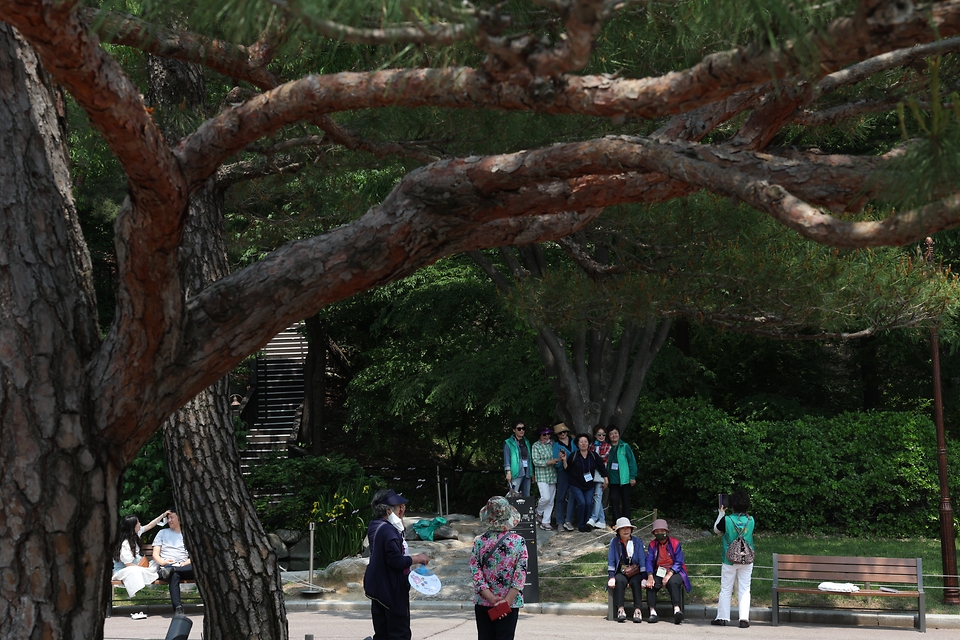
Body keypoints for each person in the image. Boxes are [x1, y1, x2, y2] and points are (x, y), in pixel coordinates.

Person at [364, 489, 430, 640]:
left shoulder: (376, 525)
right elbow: (396, 561)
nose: (403, 509)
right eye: (399, 507)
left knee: (383, 633)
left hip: (377, 586)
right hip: (391, 589)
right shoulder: (388, 531)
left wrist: (398, 519)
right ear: (388, 510)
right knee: (399, 633)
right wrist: (418, 558)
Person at [470, 496, 528, 640]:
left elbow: (475, 572)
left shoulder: (479, 542)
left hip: (484, 601)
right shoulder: (518, 542)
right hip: (509, 603)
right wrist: (506, 601)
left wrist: (491, 598)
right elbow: (520, 574)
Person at [712, 490, 756, 628]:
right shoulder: (751, 520)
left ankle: (723, 617)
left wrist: (721, 513)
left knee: (726, 588)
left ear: (732, 505)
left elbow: (716, 530)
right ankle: (744, 619)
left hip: (729, 559)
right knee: (745, 588)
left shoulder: (727, 519)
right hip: (747, 559)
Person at [111, 511, 169, 599]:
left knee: (155, 563)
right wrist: (141, 567)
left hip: (138, 566)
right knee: (136, 571)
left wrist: (163, 515)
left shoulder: (135, 534)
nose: (140, 524)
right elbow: (128, 565)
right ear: (132, 527)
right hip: (124, 570)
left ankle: (157, 573)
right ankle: (156, 574)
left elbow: (150, 525)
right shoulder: (125, 543)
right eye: (138, 522)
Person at [644, 518, 691, 625]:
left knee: (673, 582)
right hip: (659, 571)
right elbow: (649, 561)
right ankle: (652, 612)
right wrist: (650, 576)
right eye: (657, 531)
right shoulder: (652, 544)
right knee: (651, 584)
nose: (660, 533)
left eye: (662, 531)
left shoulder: (675, 543)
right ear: (654, 533)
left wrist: (669, 574)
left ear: (667, 532)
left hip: (676, 571)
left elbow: (679, 561)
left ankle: (676, 610)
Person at [561, 433, 607, 532]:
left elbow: (601, 467)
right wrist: (564, 460)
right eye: (581, 442)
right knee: (581, 503)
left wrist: (606, 479)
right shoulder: (574, 455)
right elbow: (567, 470)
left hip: (589, 485)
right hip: (575, 485)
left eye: (585, 441)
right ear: (577, 444)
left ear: (589, 443)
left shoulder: (593, 455)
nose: (583, 444)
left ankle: (587, 523)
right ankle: (581, 524)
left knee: (588, 503)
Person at [153, 508, 194, 614]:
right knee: (174, 574)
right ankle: (178, 607)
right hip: (167, 567)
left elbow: (195, 555)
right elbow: (155, 554)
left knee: (194, 567)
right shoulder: (162, 533)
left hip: (184, 567)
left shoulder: (188, 534)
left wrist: (186, 562)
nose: (169, 520)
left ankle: (174, 569)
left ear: (180, 518)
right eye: (168, 518)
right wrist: (163, 563)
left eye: (172, 518)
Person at [606, 517, 647, 623]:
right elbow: (611, 560)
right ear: (618, 531)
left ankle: (637, 610)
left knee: (636, 582)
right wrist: (611, 576)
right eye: (623, 528)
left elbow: (642, 559)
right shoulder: (614, 542)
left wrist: (644, 577)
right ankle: (620, 610)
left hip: (635, 571)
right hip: (621, 571)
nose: (626, 530)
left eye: (628, 528)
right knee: (619, 580)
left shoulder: (637, 542)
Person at [605, 427, 637, 524]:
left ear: (619, 434)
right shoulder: (607, 447)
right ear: (608, 436)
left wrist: (632, 476)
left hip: (625, 479)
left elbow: (632, 461)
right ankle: (616, 522)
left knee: (625, 501)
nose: (614, 435)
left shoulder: (625, 446)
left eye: (616, 433)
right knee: (614, 500)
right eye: (611, 433)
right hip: (613, 479)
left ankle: (626, 522)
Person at [531, 425, 558, 530]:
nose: (547, 436)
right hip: (542, 475)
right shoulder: (536, 446)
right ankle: (538, 512)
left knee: (551, 500)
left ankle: (546, 521)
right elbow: (535, 461)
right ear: (540, 435)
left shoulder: (553, 444)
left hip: (552, 475)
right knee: (545, 497)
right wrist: (548, 462)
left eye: (548, 434)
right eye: (544, 434)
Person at [552, 423, 575, 531]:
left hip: (575, 472)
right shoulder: (556, 445)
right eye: (560, 433)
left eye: (564, 432)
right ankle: (559, 522)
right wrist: (562, 459)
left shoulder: (574, 441)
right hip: (563, 472)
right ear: (557, 434)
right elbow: (557, 463)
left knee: (572, 495)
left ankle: (568, 520)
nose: (562, 434)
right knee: (561, 496)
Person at [588, 425, 612, 528]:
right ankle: (601, 520)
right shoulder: (591, 446)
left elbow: (602, 460)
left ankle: (593, 518)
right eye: (599, 434)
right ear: (595, 435)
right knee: (595, 497)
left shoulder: (607, 446)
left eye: (603, 434)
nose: (601, 436)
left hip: (601, 474)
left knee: (598, 496)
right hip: (591, 474)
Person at [503, 420, 533, 497]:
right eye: (519, 429)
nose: (522, 430)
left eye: (523, 428)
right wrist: (508, 472)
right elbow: (506, 458)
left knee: (527, 495)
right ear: (514, 430)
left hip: (527, 471)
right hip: (516, 472)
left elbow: (529, 458)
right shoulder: (508, 442)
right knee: (513, 495)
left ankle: (525, 509)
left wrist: (532, 472)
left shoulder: (526, 442)